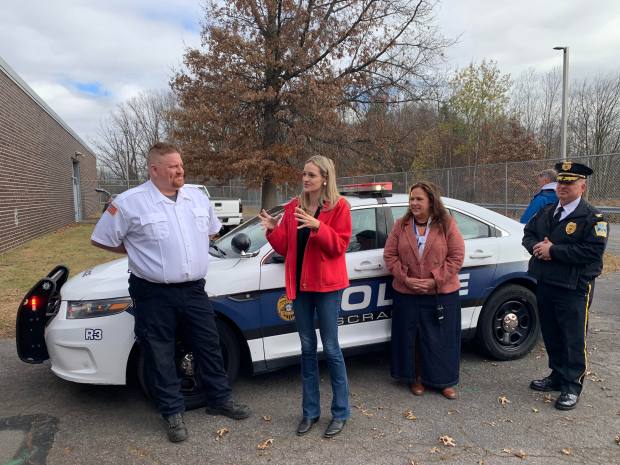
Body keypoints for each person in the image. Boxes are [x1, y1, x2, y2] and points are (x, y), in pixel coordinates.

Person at [91, 142, 250, 443]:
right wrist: (135, 250)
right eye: (173, 166)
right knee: (160, 351)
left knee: (209, 343)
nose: (181, 170)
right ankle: (172, 412)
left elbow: (211, 231)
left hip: (193, 289)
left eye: (181, 164)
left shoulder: (196, 197)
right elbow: (102, 238)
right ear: (154, 170)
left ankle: (219, 399)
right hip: (153, 292)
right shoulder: (128, 203)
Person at [259, 155, 352, 438]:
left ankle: (340, 412)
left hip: (326, 288)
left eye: (311, 175)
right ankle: (310, 412)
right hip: (299, 288)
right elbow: (287, 249)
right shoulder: (293, 207)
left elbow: (339, 246)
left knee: (332, 349)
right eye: (304, 174)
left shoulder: (339, 207)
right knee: (307, 349)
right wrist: (273, 231)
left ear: (325, 177)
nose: (306, 179)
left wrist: (318, 226)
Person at [523, 161, 608, 410]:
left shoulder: (593, 218)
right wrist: (538, 248)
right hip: (546, 282)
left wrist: (554, 251)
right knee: (551, 333)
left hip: (574, 287)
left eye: (570, 183)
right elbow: (528, 234)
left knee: (572, 337)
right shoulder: (547, 212)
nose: (563, 186)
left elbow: (592, 252)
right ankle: (557, 375)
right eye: (561, 181)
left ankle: (572, 385)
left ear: (582, 186)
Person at [383, 181, 465, 399]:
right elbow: (389, 255)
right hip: (407, 292)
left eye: (419, 199)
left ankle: (444, 381)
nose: (414, 203)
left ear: (431, 201)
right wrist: (405, 278)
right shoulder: (401, 225)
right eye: (412, 199)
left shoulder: (446, 224)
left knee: (441, 338)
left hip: (441, 292)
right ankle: (416, 378)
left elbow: (456, 257)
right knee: (412, 338)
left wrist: (434, 280)